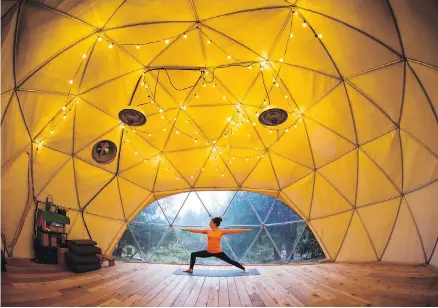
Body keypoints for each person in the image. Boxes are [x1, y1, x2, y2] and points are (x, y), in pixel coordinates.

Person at [182, 217, 250, 273]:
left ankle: (243, 268)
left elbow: (233, 231)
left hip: (218, 252)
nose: (209, 224)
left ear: (215, 224)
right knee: (193, 254)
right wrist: (186, 229)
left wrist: (245, 230)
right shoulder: (208, 231)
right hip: (209, 252)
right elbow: (196, 230)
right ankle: (191, 269)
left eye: (211, 223)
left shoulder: (221, 231)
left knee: (230, 261)